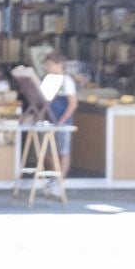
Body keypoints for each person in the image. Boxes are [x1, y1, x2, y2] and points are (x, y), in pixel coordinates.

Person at [36, 50, 79, 194]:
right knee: (48, 151)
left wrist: (61, 122)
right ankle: (54, 176)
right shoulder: (48, 80)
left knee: (63, 151)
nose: (47, 68)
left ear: (59, 65)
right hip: (49, 121)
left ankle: (60, 182)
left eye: (50, 65)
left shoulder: (66, 81)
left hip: (63, 122)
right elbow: (44, 102)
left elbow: (72, 104)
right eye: (46, 65)